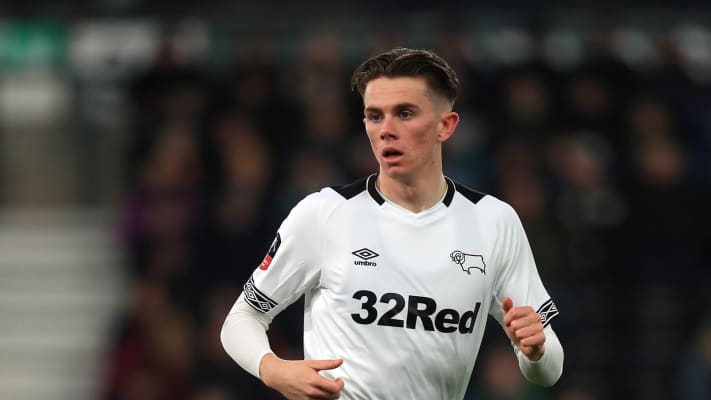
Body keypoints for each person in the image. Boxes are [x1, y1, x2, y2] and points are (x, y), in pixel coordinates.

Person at [221, 47, 564, 399]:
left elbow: (549, 369)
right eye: (374, 116)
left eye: (404, 113)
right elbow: (241, 318)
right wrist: (273, 369)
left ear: (445, 126)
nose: (386, 130)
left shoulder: (493, 221)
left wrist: (536, 351)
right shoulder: (324, 214)